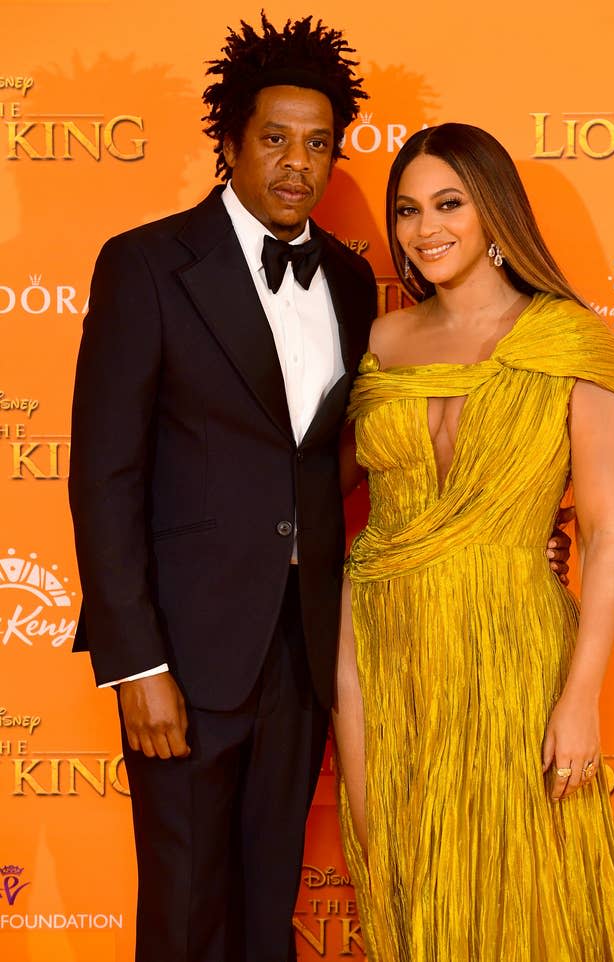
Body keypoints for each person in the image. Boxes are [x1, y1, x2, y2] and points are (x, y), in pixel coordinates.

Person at [68, 14, 376, 962]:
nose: (298, 163)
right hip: (185, 656)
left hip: (303, 647)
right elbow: (103, 474)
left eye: (318, 144)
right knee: (183, 906)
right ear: (230, 142)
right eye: (276, 139)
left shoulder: (355, 284)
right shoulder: (148, 264)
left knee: (267, 899)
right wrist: (136, 665)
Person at [333, 124, 614, 962]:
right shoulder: (379, 343)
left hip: (512, 646)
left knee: (526, 892)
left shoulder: (569, 340)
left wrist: (580, 701)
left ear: (494, 212)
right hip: (377, 645)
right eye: (406, 209)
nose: (422, 228)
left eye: (448, 204)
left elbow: (612, 533)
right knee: (400, 879)